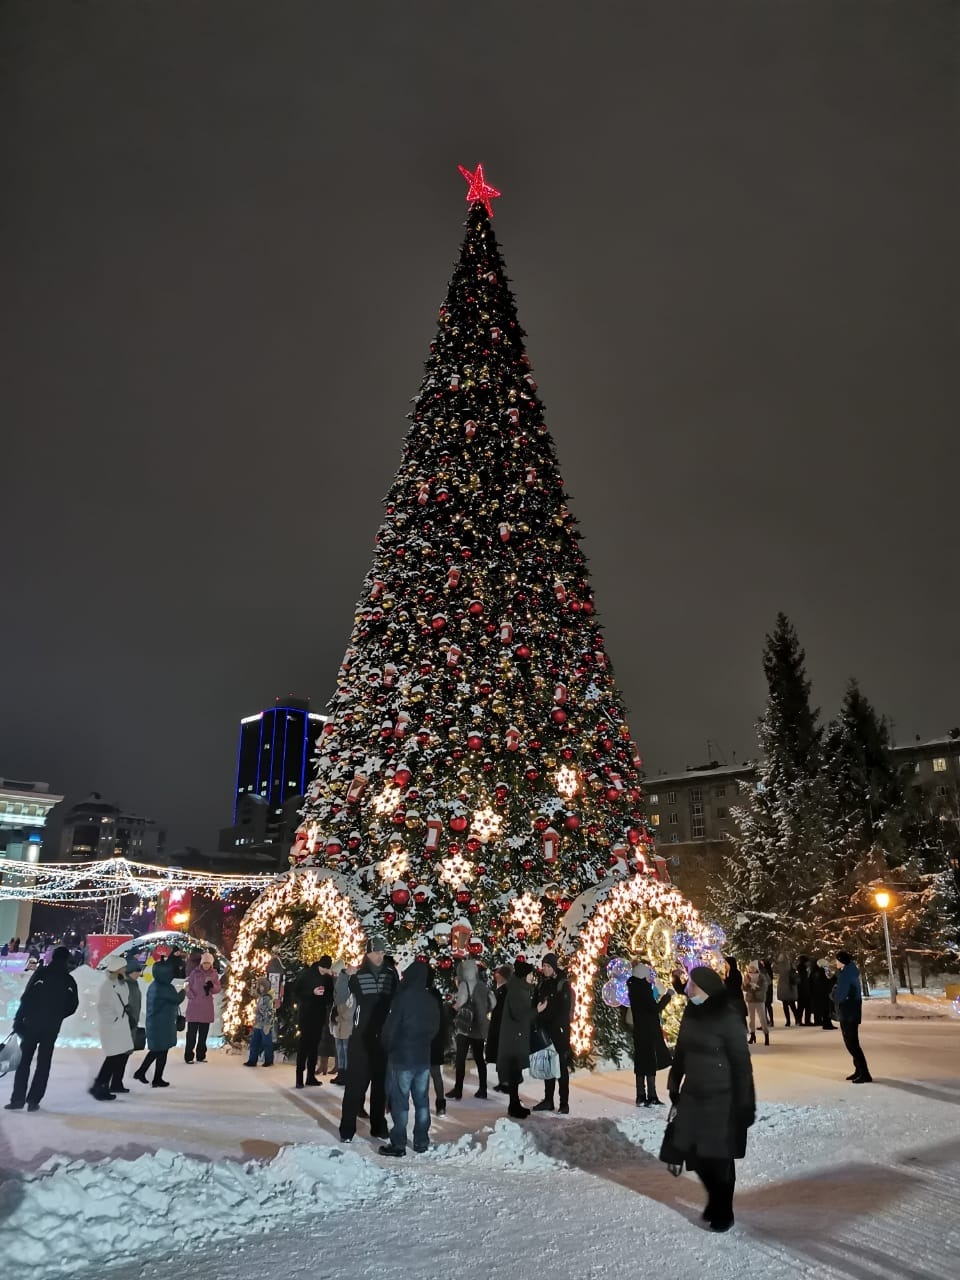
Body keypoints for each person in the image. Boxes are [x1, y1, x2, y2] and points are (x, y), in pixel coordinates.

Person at [662, 965, 756, 1233]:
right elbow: (681, 1050)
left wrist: (746, 1104)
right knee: (696, 1154)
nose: (687, 989)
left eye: (691, 985)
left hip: (722, 1097)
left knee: (720, 1157)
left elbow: (741, 1064)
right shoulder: (692, 1012)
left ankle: (723, 1209)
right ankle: (716, 1199)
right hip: (694, 1093)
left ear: (704, 987)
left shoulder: (728, 1015)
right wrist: (674, 1083)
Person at [378, 960, 441, 1157]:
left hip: (402, 1056)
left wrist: (388, 1045)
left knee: (401, 1102)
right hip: (423, 1056)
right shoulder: (430, 999)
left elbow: (391, 1028)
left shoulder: (402, 998)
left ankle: (398, 1143)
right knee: (422, 1101)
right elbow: (436, 1027)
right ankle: (421, 1140)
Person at [5, 946, 79, 1112]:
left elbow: (27, 996)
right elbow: (73, 1006)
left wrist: (19, 1018)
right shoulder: (69, 980)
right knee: (43, 1064)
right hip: (51, 1028)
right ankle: (34, 1100)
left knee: (24, 1062)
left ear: (53, 957)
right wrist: (58, 1015)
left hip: (32, 1024)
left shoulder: (41, 974)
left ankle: (17, 1099)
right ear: (67, 960)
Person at [339, 937, 398, 1143]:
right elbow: (339, 999)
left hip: (383, 1037)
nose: (380, 956)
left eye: (382, 952)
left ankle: (378, 1125)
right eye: (376, 952)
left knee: (380, 1085)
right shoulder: (358, 975)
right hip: (360, 1037)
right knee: (355, 1084)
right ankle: (347, 1129)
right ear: (367, 953)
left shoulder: (391, 976)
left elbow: (397, 1002)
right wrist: (345, 977)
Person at [531, 953, 573, 1115]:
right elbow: (536, 1004)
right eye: (544, 966)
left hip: (559, 1031)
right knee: (548, 1064)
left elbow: (564, 1009)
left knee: (561, 1067)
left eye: (549, 966)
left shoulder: (562, 984)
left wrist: (557, 1025)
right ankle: (548, 1100)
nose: (545, 969)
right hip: (544, 1031)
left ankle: (564, 1103)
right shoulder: (542, 984)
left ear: (554, 967)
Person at [134, 953, 185, 1087]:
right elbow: (177, 999)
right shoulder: (164, 988)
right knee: (160, 1051)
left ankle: (151, 1075)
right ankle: (150, 1076)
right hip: (162, 1025)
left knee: (159, 1051)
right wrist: (185, 990)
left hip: (158, 1024)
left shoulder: (155, 985)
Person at [627, 961, 673, 1106]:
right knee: (650, 1062)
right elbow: (654, 1009)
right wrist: (668, 996)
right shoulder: (644, 989)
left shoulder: (632, 988)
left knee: (640, 1061)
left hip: (639, 1030)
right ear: (642, 976)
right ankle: (652, 1096)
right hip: (649, 1030)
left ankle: (640, 1095)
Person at [497, 959, 537, 1119]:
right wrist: (537, 1010)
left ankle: (514, 1104)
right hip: (514, 1039)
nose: (533, 977)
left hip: (515, 1037)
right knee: (514, 1073)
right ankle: (513, 1106)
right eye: (530, 974)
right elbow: (520, 1015)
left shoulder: (518, 988)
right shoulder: (517, 991)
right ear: (524, 976)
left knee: (515, 1072)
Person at [91, 955, 135, 1101]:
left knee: (120, 1055)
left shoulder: (120, 983)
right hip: (112, 1026)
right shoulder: (107, 985)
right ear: (117, 969)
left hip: (120, 1025)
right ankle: (100, 1086)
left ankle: (113, 1083)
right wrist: (114, 1018)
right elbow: (102, 1006)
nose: (125, 969)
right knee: (113, 1057)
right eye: (123, 967)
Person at [448, 957, 491, 1100]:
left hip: (465, 1027)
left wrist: (453, 1008)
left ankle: (458, 1089)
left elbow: (460, 1003)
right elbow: (493, 1001)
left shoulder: (464, 985)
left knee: (460, 1057)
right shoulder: (482, 985)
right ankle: (483, 1089)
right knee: (479, 1058)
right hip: (478, 1027)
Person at [293, 954, 336, 1088]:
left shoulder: (327, 979)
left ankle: (311, 1076)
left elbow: (330, 997)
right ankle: (299, 1077)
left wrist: (325, 997)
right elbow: (296, 992)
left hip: (319, 1015)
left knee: (314, 1047)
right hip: (306, 1015)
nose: (323, 972)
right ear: (319, 965)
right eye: (322, 969)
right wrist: (311, 993)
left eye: (326, 969)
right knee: (303, 1046)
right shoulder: (307, 975)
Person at [834, 950, 871, 1083]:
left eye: (837, 960)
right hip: (848, 1013)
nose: (836, 962)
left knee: (852, 1044)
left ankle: (865, 1073)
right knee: (851, 1043)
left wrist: (833, 994)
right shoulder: (846, 973)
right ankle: (859, 1070)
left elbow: (840, 995)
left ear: (842, 961)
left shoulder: (848, 976)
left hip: (850, 1014)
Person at [110, 956, 144, 1093]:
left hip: (132, 1024)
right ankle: (114, 1083)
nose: (139, 973)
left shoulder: (134, 984)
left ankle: (117, 1082)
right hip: (124, 1024)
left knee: (124, 1056)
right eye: (137, 971)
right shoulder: (124, 985)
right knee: (120, 1056)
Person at [184, 951, 221, 1064]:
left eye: (208, 963)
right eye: (204, 963)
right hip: (194, 1007)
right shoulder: (194, 973)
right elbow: (187, 985)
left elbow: (217, 989)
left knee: (203, 1035)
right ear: (201, 963)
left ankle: (201, 1055)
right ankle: (189, 1056)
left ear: (211, 964)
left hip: (206, 1008)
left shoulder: (214, 974)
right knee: (191, 1035)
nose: (206, 965)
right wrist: (191, 995)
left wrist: (211, 986)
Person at [426, 968, 452, 1115]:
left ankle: (424, 1104)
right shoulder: (436, 995)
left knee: (423, 1074)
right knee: (436, 1073)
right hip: (436, 1039)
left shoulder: (421, 994)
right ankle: (440, 1104)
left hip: (424, 1040)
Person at [486, 964, 513, 1093]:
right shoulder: (499, 989)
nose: (496, 975)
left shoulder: (506, 990)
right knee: (499, 1055)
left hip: (502, 1026)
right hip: (497, 1025)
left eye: (499, 974)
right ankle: (502, 1081)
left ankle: (506, 1082)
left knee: (503, 1055)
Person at [330, 966, 355, 1086]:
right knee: (340, 1051)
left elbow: (350, 1009)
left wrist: (338, 1018)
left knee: (345, 1051)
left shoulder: (351, 992)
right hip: (339, 1026)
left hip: (346, 1026)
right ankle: (341, 1074)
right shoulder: (341, 988)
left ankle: (346, 1075)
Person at [245, 977, 276, 1066]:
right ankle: (252, 1060)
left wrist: (259, 1010)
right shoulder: (261, 996)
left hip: (265, 1024)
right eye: (259, 986)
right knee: (254, 1042)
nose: (260, 988)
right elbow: (253, 993)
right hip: (258, 1023)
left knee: (266, 1043)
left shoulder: (268, 997)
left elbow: (268, 1011)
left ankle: (268, 1060)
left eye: (262, 986)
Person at [742, 960, 770, 1046]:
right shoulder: (747, 976)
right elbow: (744, 988)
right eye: (750, 968)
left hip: (759, 999)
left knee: (762, 1018)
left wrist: (757, 990)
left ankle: (766, 1035)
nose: (752, 969)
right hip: (751, 1000)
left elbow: (765, 987)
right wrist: (746, 985)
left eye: (753, 968)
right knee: (751, 1019)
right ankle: (752, 1035)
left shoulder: (761, 977)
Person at [810, 959, 837, 1030]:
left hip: (819, 992)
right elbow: (831, 978)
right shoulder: (823, 971)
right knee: (827, 1008)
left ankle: (827, 1023)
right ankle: (827, 1024)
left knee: (825, 1008)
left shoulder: (815, 972)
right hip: (825, 992)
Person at [776, 953, 799, 1027]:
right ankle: (797, 1019)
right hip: (789, 987)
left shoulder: (780, 966)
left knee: (785, 1005)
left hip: (784, 986)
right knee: (792, 1005)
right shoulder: (790, 965)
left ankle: (788, 1021)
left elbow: (775, 970)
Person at [723, 956, 747, 1021]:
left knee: (739, 1016)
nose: (725, 965)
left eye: (726, 963)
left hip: (736, 998)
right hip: (730, 998)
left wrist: (725, 980)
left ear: (730, 963)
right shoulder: (727, 972)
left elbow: (734, 985)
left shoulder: (735, 972)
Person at [795, 956, 814, 1026]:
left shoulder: (801, 969)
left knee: (801, 1007)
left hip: (801, 990)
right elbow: (804, 981)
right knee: (806, 1006)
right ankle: (806, 1021)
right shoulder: (803, 970)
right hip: (804, 990)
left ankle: (799, 1020)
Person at [760, 959, 776, 1028]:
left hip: (765, 990)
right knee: (767, 1006)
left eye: (762, 963)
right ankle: (770, 1021)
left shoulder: (764, 971)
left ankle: (766, 1022)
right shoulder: (768, 971)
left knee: (764, 1006)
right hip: (768, 990)